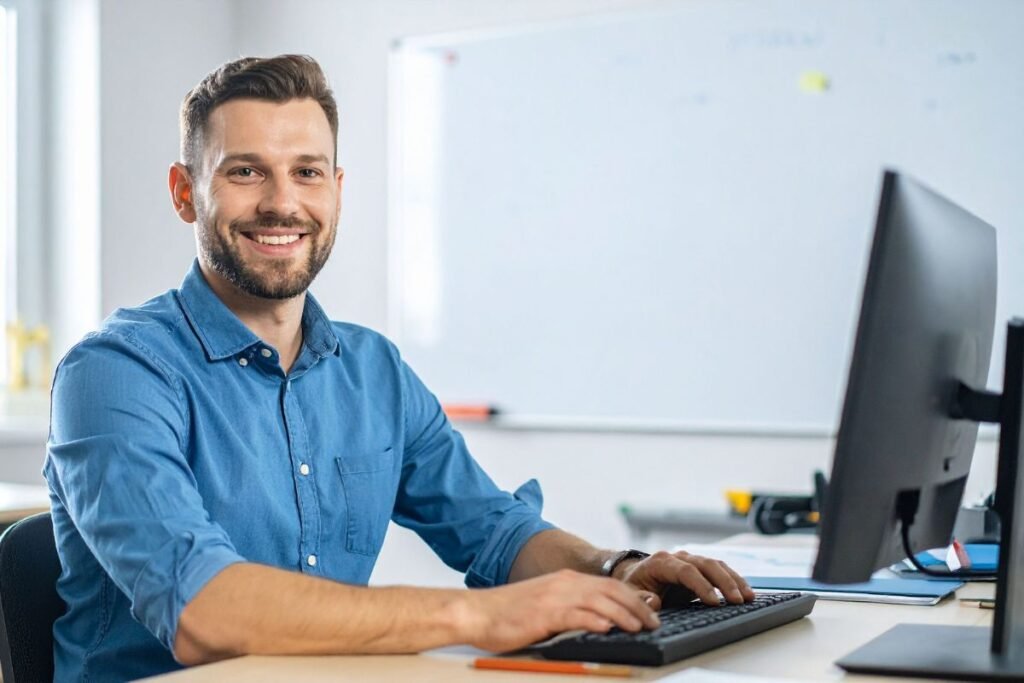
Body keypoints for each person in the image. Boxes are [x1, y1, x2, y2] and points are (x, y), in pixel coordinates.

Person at [44, 54, 754, 681]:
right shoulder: (114, 374)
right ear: (184, 192)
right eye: (245, 171)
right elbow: (204, 610)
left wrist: (616, 568)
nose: (282, 202)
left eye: (307, 172)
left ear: (336, 190)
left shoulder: (372, 370)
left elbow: (495, 530)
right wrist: (479, 617)